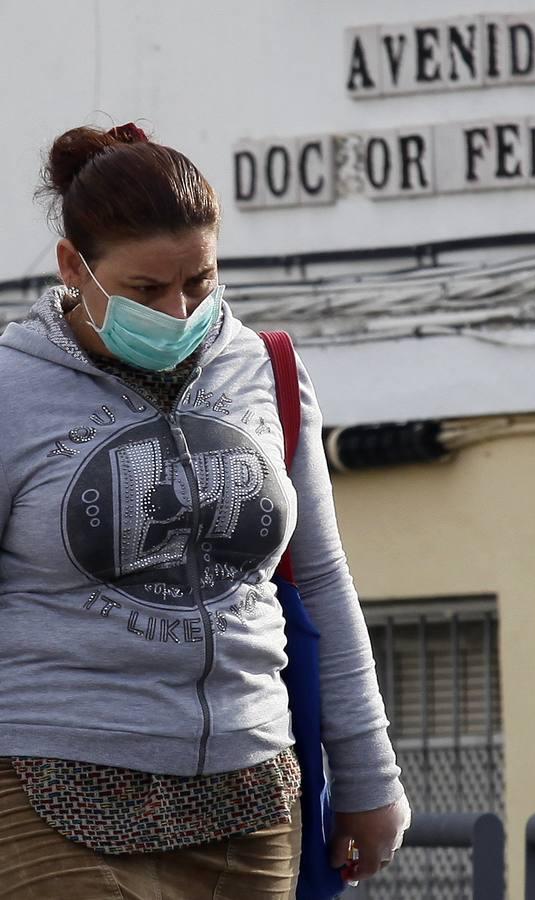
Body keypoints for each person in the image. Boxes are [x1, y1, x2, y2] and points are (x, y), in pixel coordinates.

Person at [0, 122, 410, 899]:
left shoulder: (267, 371)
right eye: (145, 291)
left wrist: (368, 776)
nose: (179, 310)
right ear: (71, 267)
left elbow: (321, 580)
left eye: (201, 280)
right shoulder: (10, 392)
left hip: (248, 793)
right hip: (44, 786)